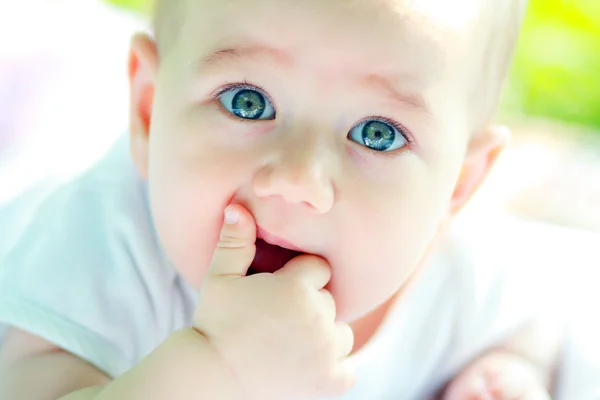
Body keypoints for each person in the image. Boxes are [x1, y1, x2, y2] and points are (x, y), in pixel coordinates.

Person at [0, 0, 568, 399]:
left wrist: (510, 368)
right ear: (149, 112)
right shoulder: (99, 244)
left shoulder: (461, 269)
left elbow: (534, 314)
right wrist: (220, 367)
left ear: (459, 186)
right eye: (247, 101)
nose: (298, 180)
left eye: (379, 134)